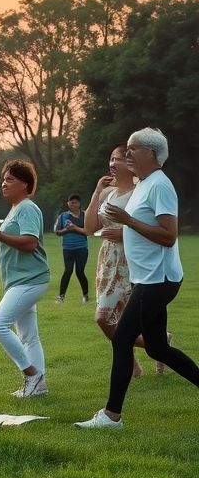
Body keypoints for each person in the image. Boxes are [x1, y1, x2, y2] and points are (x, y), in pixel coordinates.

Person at [76, 127, 199, 430]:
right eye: (127, 149)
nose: (127, 154)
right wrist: (127, 223)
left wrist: (128, 221)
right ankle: (111, 416)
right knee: (157, 347)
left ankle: (111, 416)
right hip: (146, 279)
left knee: (122, 338)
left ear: (152, 154)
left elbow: (169, 236)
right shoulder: (144, 183)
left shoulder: (160, 186)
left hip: (159, 279)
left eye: (133, 149)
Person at [0, 159, 50, 397]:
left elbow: (29, 243)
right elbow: (1, 242)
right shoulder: (15, 209)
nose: (4, 184)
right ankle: (39, 387)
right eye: (3, 180)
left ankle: (32, 374)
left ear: (25, 185)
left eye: (10, 179)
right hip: (19, 280)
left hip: (31, 279)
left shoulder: (27, 208)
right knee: (29, 336)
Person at [84, 144, 147, 377]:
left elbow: (150, 227)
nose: (112, 163)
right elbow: (90, 228)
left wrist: (124, 233)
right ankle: (143, 356)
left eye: (118, 159)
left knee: (104, 317)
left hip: (132, 260)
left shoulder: (141, 191)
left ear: (130, 164)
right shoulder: (107, 193)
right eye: (110, 159)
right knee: (113, 317)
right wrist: (95, 193)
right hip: (108, 261)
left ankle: (157, 345)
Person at [54, 194, 90, 303]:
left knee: (80, 271)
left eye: (75, 202)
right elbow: (57, 231)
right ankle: (61, 297)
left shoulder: (85, 215)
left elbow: (88, 231)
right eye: (70, 202)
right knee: (68, 270)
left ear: (79, 204)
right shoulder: (63, 216)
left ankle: (85, 295)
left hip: (82, 248)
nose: (72, 204)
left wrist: (74, 228)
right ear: (68, 204)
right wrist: (66, 230)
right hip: (68, 248)